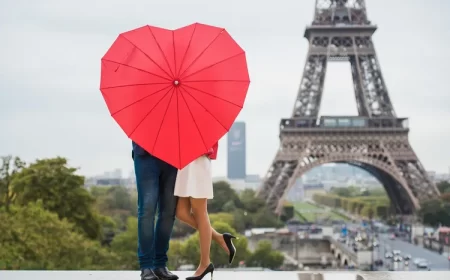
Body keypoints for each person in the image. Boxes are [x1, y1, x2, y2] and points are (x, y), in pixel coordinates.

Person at [174, 142, 237, 280]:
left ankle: (205, 263)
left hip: (197, 159)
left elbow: (210, 130)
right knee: (181, 212)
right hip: (183, 161)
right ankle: (220, 238)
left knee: (200, 212)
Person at [132, 142, 179, 280]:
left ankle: (160, 265)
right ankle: (146, 266)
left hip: (172, 156)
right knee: (147, 210)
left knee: (169, 212)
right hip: (146, 155)